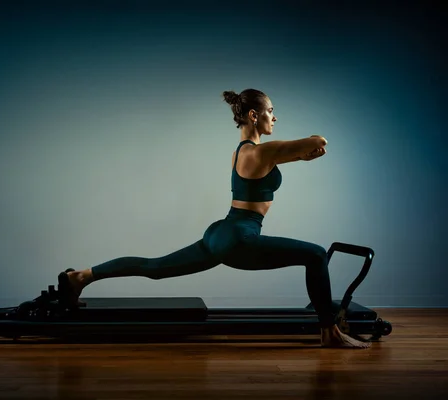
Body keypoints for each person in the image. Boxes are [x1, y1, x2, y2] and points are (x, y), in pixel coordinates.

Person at [60, 88, 370, 349]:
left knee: (154, 267)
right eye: (271, 111)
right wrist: (308, 148)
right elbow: (321, 140)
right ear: (253, 115)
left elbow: (278, 160)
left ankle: (81, 276)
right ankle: (329, 332)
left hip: (222, 232)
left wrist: (299, 155)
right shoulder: (260, 153)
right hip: (239, 238)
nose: (275, 117)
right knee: (316, 255)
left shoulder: (245, 151)